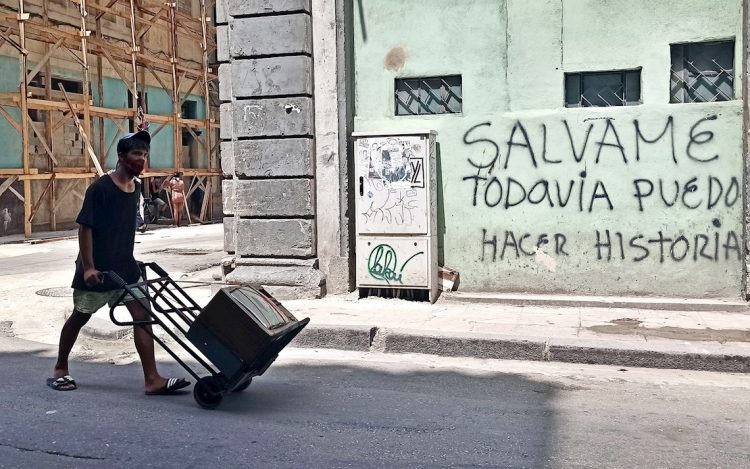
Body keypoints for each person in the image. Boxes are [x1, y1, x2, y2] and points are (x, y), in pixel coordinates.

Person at [47, 130, 190, 395]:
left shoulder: (135, 189)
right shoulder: (100, 188)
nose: (141, 159)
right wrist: (88, 266)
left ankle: (152, 379)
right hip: (98, 271)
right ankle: (60, 368)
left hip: (126, 269)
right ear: (122, 156)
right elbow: (85, 228)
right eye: (137, 154)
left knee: (143, 317)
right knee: (80, 317)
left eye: (145, 155)